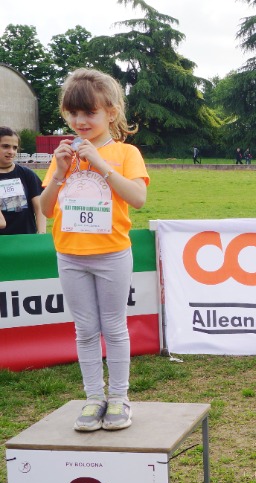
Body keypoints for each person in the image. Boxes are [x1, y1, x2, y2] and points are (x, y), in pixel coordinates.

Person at [38, 68, 149, 431]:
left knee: (114, 327)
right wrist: (59, 172)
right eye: (73, 113)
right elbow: (46, 209)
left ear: (111, 113)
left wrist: (101, 165)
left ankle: (119, 398)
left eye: (89, 112)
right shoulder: (63, 155)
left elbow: (138, 198)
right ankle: (93, 398)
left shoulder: (126, 152)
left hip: (111, 253)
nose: (80, 121)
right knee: (85, 329)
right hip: (70, 254)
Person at [0, 126, 45, 234]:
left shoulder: (27, 174)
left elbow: (40, 208)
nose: (11, 151)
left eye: (15, 148)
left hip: (25, 239)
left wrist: (41, 235)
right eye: (5, 146)